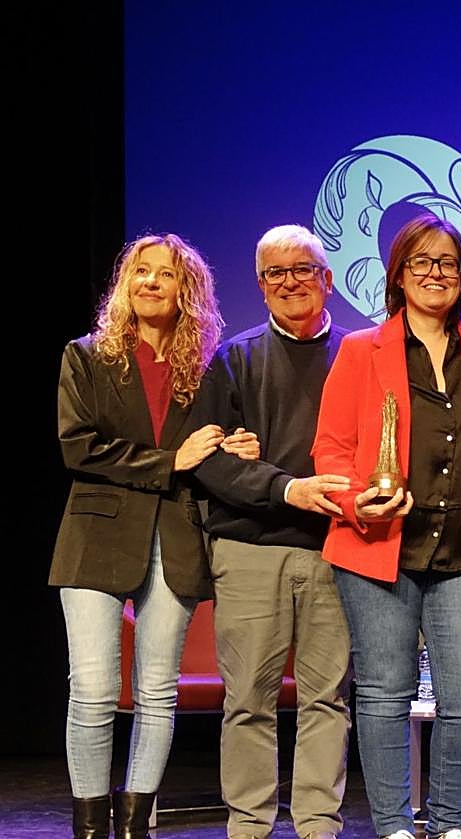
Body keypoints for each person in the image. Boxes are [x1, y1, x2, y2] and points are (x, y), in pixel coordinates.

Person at [312, 213, 461, 839]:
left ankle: (450, 822)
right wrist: (354, 504)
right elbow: (333, 449)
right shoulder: (358, 350)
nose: (435, 273)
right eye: (421, 262)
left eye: (448, 263)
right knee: (382, 694)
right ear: (398, 274)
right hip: (378, 550)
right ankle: (396, 826)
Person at [52, 234, 230, 839]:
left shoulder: (207, 369)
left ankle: (133, 825)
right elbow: (78, 447)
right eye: (140, 272)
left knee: (157, 693)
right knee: (95, 691)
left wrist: (235, 448)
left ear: (188, 291)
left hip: (176, 536)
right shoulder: (87, 356)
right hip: (96, 536)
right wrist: (169, 462)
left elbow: (213, 448)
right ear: (125, 285)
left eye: (166, 275)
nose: (151, 282)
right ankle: (89, 825)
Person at [190, 224, 353, 839]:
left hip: (335, 550)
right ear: (260, 287)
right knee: (249, 702)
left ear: (327, 278)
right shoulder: (233, 358)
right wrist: (284, 486)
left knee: (326, 699)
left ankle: (317, 823)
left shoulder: (359, 354)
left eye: (302, 269)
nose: (290, 283)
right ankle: (250, 825)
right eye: (274, 274)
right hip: (249, 547)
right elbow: (209, 459)